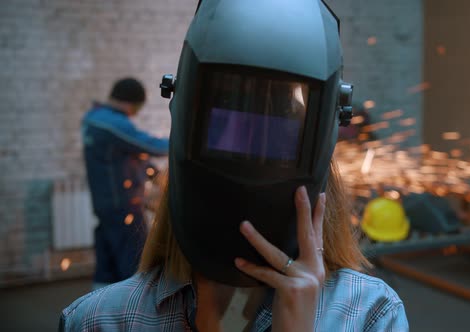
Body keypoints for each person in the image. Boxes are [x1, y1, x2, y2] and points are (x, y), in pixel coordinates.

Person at [61, 0, 409, 331]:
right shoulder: (98, 322)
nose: (252, 161)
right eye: (234, 125)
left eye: (273, 133)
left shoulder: (370, 316)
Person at [81, 77, 169, 290]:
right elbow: (150, 145)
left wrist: (154, 174)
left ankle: (97, 314)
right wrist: (188, 141)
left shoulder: (93, 118)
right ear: (133, 103)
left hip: (104, 206)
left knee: (106, 267)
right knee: (135, 267)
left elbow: (128, 153)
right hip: (122, 207)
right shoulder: (111, 124)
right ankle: (132, 315)